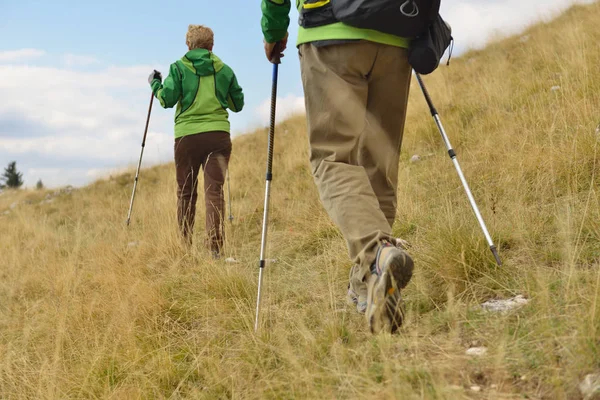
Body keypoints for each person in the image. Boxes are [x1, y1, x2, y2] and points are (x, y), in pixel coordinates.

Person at [261, 1, 414, 333]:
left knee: (332, 158)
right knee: (379, 161)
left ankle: (377, 253)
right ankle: (368, 285)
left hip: (331, 32)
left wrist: (273, 32)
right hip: (395, 32)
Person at [149, 24, 244, 258]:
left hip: (187, 137)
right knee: (215, 192)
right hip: (218, 136)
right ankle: (215, 249)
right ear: (211, 46)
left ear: (188, 45)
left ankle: (184, 247)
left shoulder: (178, 68)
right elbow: (237, 104)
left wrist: (155, 84)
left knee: (185, 193)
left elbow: (167, 100)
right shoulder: (225, 70)